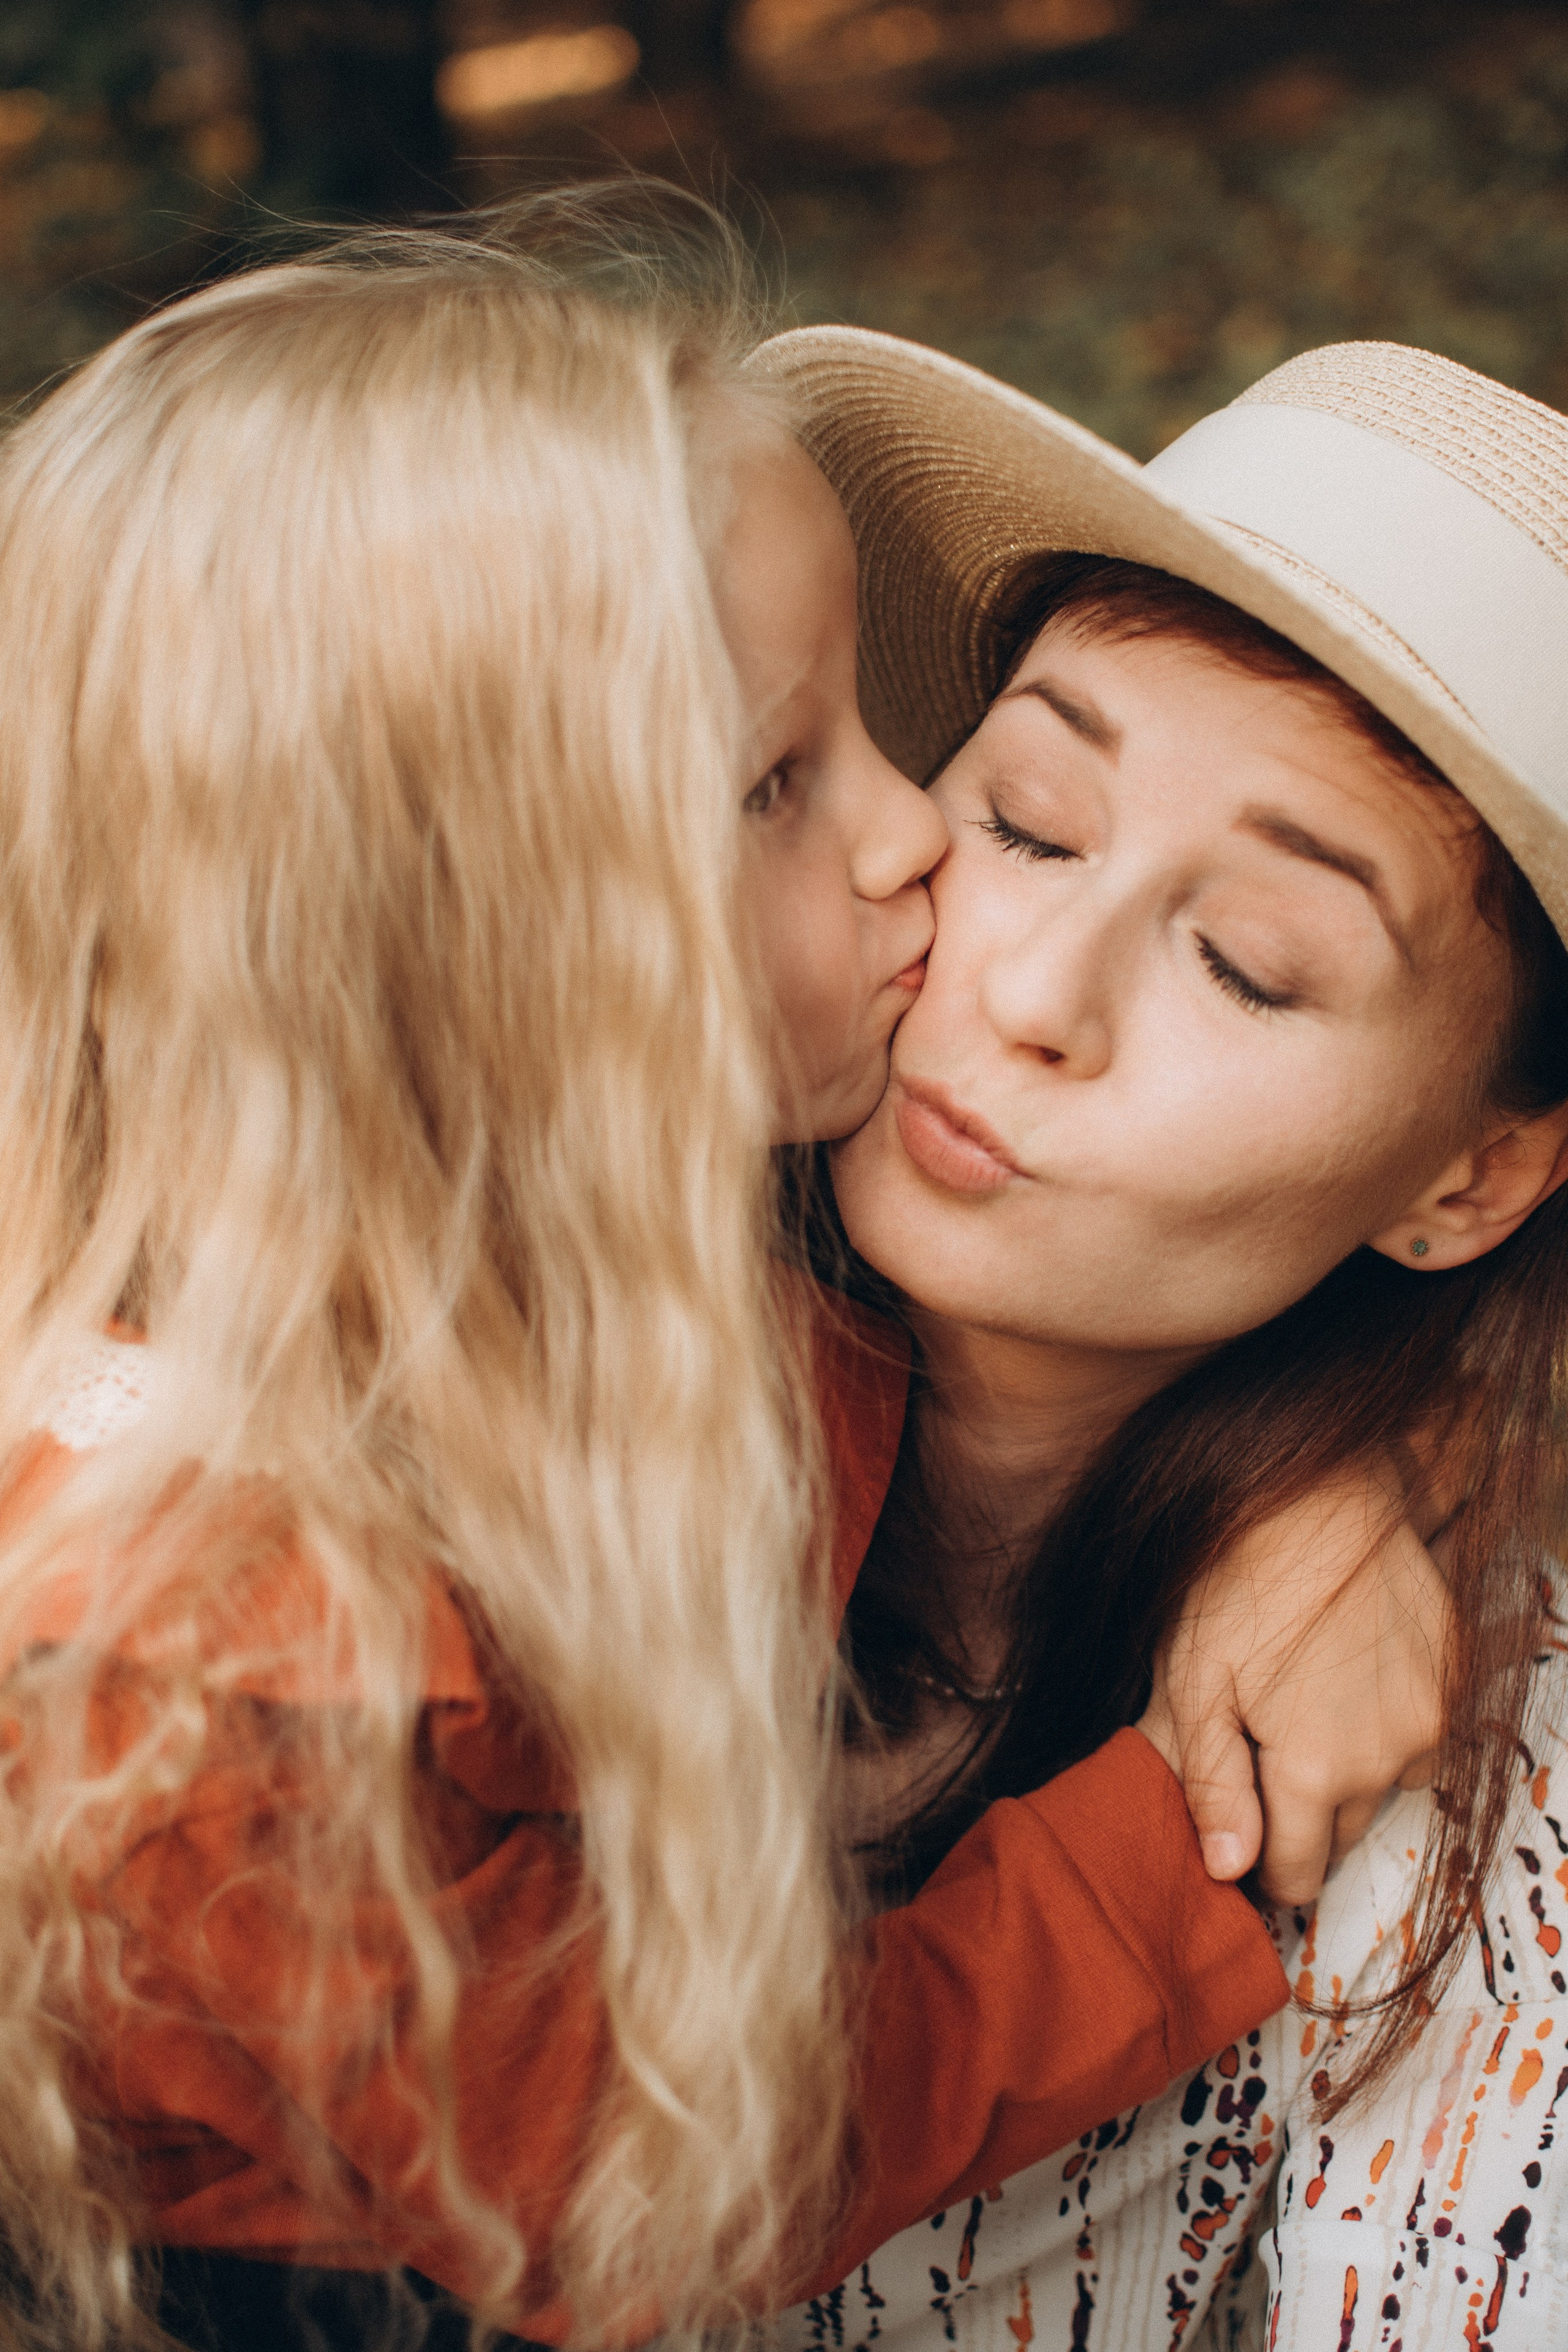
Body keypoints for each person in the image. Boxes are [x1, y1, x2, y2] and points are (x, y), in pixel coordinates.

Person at [0, 194, 1450, 2352]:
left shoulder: (573, 1248)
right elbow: (694, 2166)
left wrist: (1377, 1458)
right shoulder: (203, 1686)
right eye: (779, 778)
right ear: (453, 951)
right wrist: (1194, 1852)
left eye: (877, 725)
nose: (917, 844)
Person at [755, 326, 1568, 2348]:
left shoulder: (1461, 1816)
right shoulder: (484, 1359)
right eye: (1029, 818)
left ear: (1471, 1179)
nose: (1034, 987)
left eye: (1247, 964)